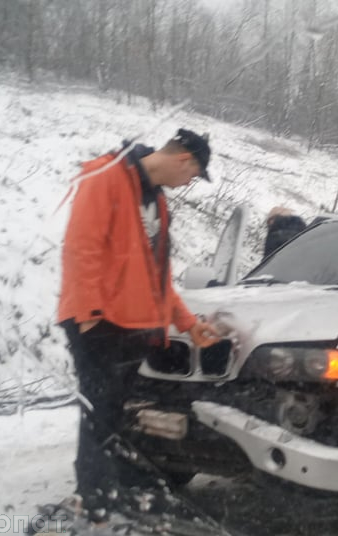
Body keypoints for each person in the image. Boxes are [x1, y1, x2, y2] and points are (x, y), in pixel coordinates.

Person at [57, 129, 221, 522]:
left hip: (133, 328)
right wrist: (89, 317)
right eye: (194, 175)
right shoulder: (106, 175)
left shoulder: (156, 201)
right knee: (100, 412)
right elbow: (82, 249)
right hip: (99, 324)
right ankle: (94, 497)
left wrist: (187, 322)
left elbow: (157, 275)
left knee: (115, 413)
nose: (189, 184)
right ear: (184, 160)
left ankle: (116, 486)